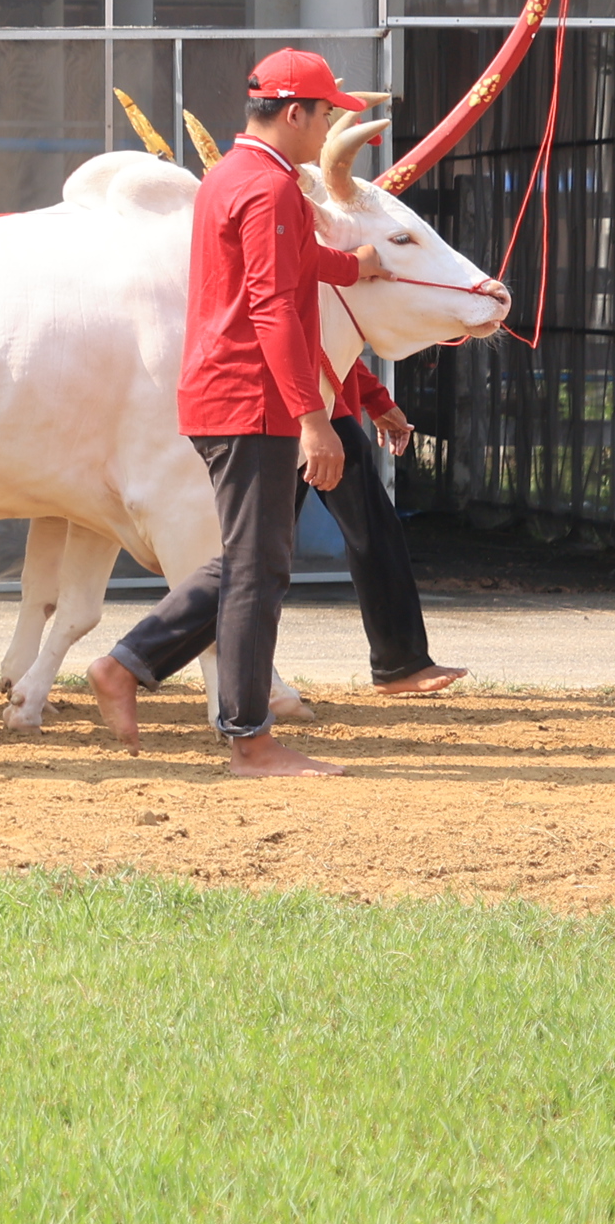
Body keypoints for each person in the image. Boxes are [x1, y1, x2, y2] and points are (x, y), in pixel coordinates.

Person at [88, 50, 403, 774]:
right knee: (258, 569)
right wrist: (313, 417)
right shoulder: (268, 190)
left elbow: (276, 269)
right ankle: (247, 737)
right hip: (251, 397)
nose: (328, 126)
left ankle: (129, 665)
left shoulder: (236, 177)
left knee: (248, 561)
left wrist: (351, 267)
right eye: (327, 114)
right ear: (296, 113)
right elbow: (269, 303)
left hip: (221, 393)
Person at [330, 363, 466, 696]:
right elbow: (295, 335)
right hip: (287, 410)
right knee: (250, 554)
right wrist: (309, 416)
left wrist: (376, 399)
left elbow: (330, 340)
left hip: (326, 409)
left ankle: (400, 664)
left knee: (375, 528)